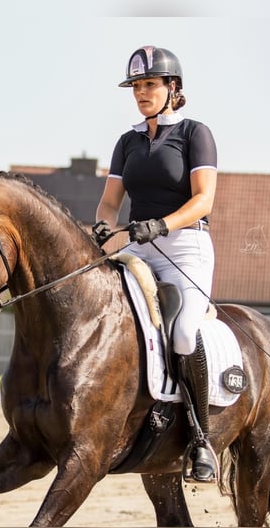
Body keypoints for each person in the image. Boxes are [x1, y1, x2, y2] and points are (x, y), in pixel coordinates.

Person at [92, 45, 218, 482]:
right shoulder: (127, 141)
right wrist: (106, 229)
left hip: (185, 247)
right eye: (137, 86)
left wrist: (161, 225)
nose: (141, 93)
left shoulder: (194, 133)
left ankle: (201, 438)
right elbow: (109, 204)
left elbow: (203, 200)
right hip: (137, 246)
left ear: (173, 88)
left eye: (150, 84)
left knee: (183, 332)